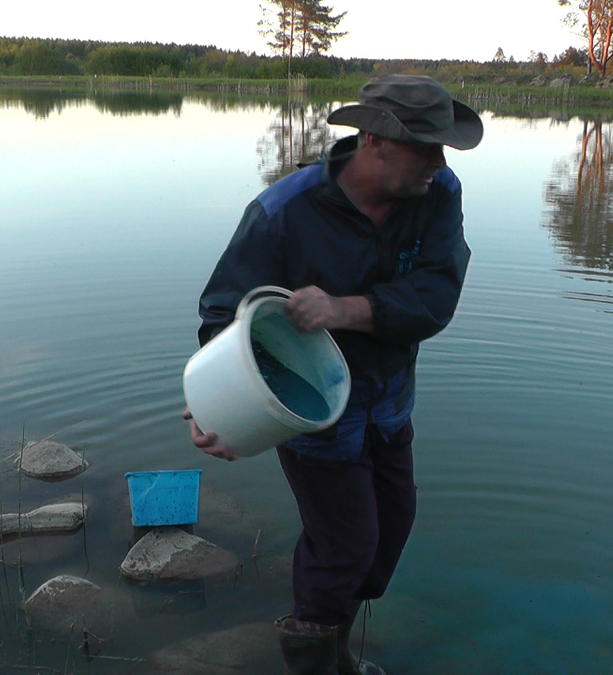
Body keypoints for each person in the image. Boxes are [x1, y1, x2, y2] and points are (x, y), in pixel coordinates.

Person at [184, 74, 482, 675]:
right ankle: (317, 666)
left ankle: (335, 654)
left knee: (387, 536)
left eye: (442, 147)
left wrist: (343, 308)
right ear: (373, 141)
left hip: (390, 401)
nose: (438, 161)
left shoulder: (438, 191)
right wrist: (215, 405)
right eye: (425, 146)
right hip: (311, 409)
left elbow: (436, 295)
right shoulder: (281, 213)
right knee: (345, 545)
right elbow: (223, 315)